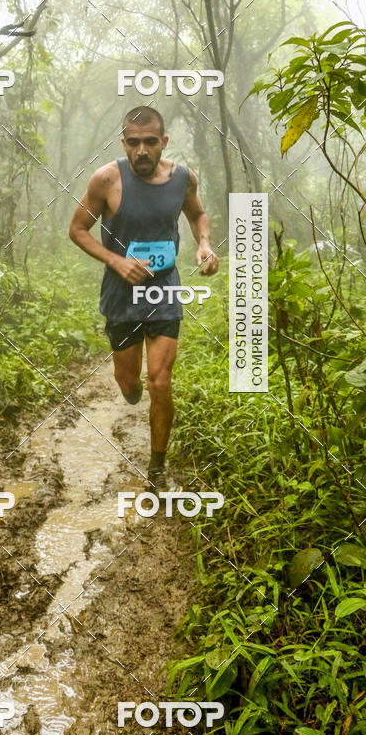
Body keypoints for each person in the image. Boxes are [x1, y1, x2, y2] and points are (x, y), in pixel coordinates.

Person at [68, 105, 218, 490]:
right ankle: (131, 390)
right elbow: (78, 229)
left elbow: (198, 216)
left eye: (150, 142)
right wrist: (117, 262)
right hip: (122, 295)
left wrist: (204, 245)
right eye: (133, 143)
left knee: (161, 382)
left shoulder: (183, 178)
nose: (142, 151)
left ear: (163, 142)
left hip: (164, 289)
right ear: (123, 142)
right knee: (129, 382)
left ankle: (156, 468)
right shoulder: (106, 180)